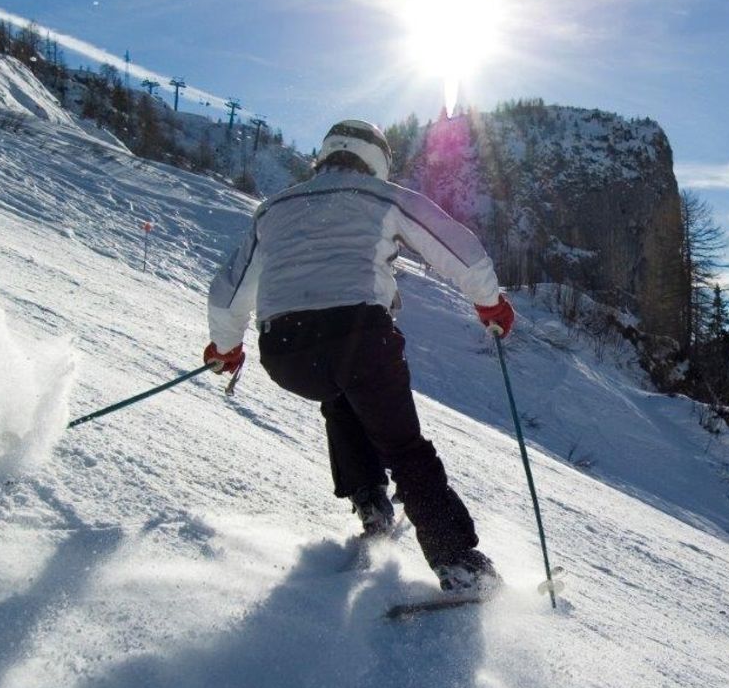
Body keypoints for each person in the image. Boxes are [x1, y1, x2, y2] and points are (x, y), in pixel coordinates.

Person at [203, 119, 516, 595]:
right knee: (404, 447)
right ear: (376, 162)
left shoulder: (275, 210)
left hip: (286, 352)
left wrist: (226, 349)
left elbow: (228, 293)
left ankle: (371, 502)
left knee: (340, 397)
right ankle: (456, 561)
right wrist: (489, 301)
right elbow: (457, 246)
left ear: (325, 155)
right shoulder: (380, 196)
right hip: (360, 335)